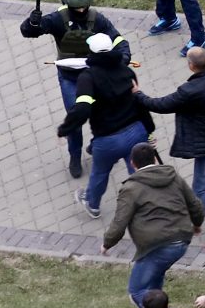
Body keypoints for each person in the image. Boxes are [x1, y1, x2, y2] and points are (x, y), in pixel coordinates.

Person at [134, 48, 205, 238]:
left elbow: (161, 105)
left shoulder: (190, 90)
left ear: (191, 65)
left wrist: (138, 94)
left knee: (202, 189)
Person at [20, 0, 130, 178]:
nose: (80, 11)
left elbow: (117, 39)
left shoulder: (98, 19)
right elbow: (30, 32)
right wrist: (32, 23)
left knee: (101, 112)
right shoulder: (57, 19)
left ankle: (97, 143)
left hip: (94, 75)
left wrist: (124, 56)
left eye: (84, 8)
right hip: (69, 77)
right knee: (76, 115)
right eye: (76, 9)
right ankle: (75, 156)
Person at [103, 142, 203, 308]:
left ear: (133, 163)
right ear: (155, 159)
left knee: (137, 291)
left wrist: (107, 243)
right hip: (181, 239)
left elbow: (120, 221)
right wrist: (196, 224)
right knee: (155, 278)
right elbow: (195, 204)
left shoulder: (131, 188)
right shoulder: (174, 177)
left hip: (157, 246)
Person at [60, 33, 153, 217]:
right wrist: (148, 130)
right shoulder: (127, 71)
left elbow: (82, 109)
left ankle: (92, 205)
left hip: (107, 139)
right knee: (139, 174)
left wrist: (65, 129)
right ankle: (147, 207)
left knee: (100, 173)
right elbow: (138, 101)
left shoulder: (87, 77)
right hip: (136, 132)